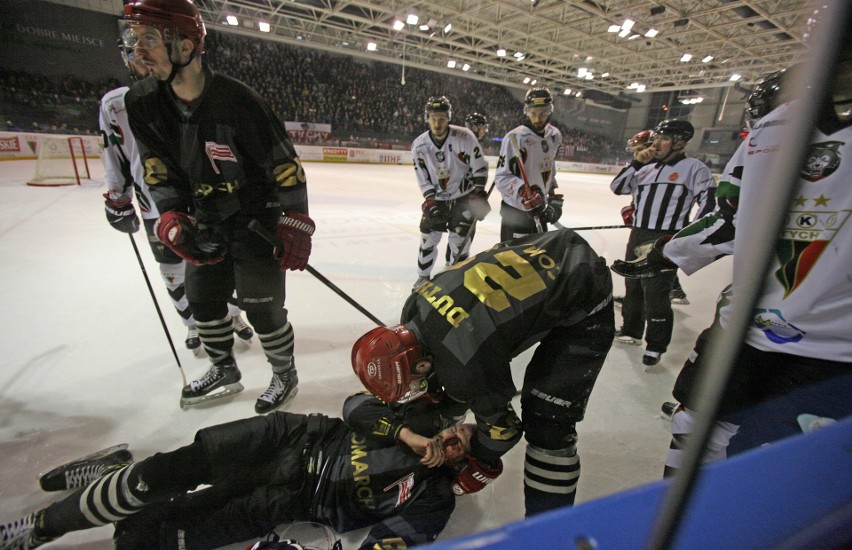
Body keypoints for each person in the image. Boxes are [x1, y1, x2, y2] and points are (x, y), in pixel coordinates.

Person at [611, 29, 852, 475]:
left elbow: (721, 215)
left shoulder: (762, 133)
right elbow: (728, 216)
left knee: (724, 436)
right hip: (789, 336)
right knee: (744, 442)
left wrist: (668, 250)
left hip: (788, 334)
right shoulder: (769, 130)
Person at [120, 0, 315, 413]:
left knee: (262, 309)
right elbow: (156, 168)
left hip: (254, 220)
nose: (138, 50)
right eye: (134, 39)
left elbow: (284, 166)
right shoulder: (141, 102)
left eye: (150, 39)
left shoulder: (240, 101)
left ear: (186, 46)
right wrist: (171, 214)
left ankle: (285, 373)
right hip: (203, 218)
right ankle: (224, 368)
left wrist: (295, 221)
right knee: (202, 299)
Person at [352, 228, 615, 517]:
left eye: (412, 384)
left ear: (422, 365)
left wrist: (481, 461)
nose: (415, 389)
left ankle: (547, 535)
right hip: (546, 246)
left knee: (548, 425)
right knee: (451, 384)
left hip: (583, 286)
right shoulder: (414, 307)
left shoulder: (464, 369)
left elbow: (504, 431)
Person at [0, 394, 473, 550]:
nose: (454, 442)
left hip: (291, 501)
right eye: (461, 433)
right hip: (290, 438)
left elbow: (392, 542)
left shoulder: (434, 498)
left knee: (140, 537)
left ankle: (110, 470)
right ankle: (44, 526)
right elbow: (355, 406)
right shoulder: (422, 421)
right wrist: (407, 434)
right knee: (157, 478)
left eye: (466, 450)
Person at [100, 38, 253, 353]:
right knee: (172, 270)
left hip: (203, 200)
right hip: (154, 204)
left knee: (216, 261)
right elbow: (114, 153)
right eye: (134, 52)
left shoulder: (194, 92)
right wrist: (118, 198)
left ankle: (232, 315)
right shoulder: (115, 104)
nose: (143, 58)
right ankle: (192, 324)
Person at [609, 119, 716, 367]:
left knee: (656, 293)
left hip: (666, 239)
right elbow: (617, 187)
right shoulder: (646, 167)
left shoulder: (694, 168)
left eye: (663, 139)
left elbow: (709, 202)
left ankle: (656, 345)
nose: (655, 143)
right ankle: (631, 331)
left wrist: (688, 236)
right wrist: (637, 162)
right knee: (633, 285)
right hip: (638, 234)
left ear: (679, 142)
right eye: (655, 138)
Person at [412, 96, 490, 291]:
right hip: (436, 199)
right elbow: (422, 177)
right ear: (427, 118)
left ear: (449, 118)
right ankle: (423, 278)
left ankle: (456, 280)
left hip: (463, 198)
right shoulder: (419, 145)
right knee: (428, 238)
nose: (437, 123)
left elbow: (479, 166)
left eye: (442, 119)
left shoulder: (464, 137)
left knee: (460, 242)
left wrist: (479, 194)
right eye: (433, 118)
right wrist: (430, 200)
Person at [494, 87, 564, 241]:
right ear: (526, 111)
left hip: (540, 208)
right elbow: (501, 178)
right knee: (512, 260)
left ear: (550, 111)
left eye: (543, 113)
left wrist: (552, 198)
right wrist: (525, 192)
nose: (538, 119)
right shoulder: (515, 138)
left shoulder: (554, 135)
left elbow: (548, 168)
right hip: (516, 212)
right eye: (534, 113)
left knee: (538, 260)